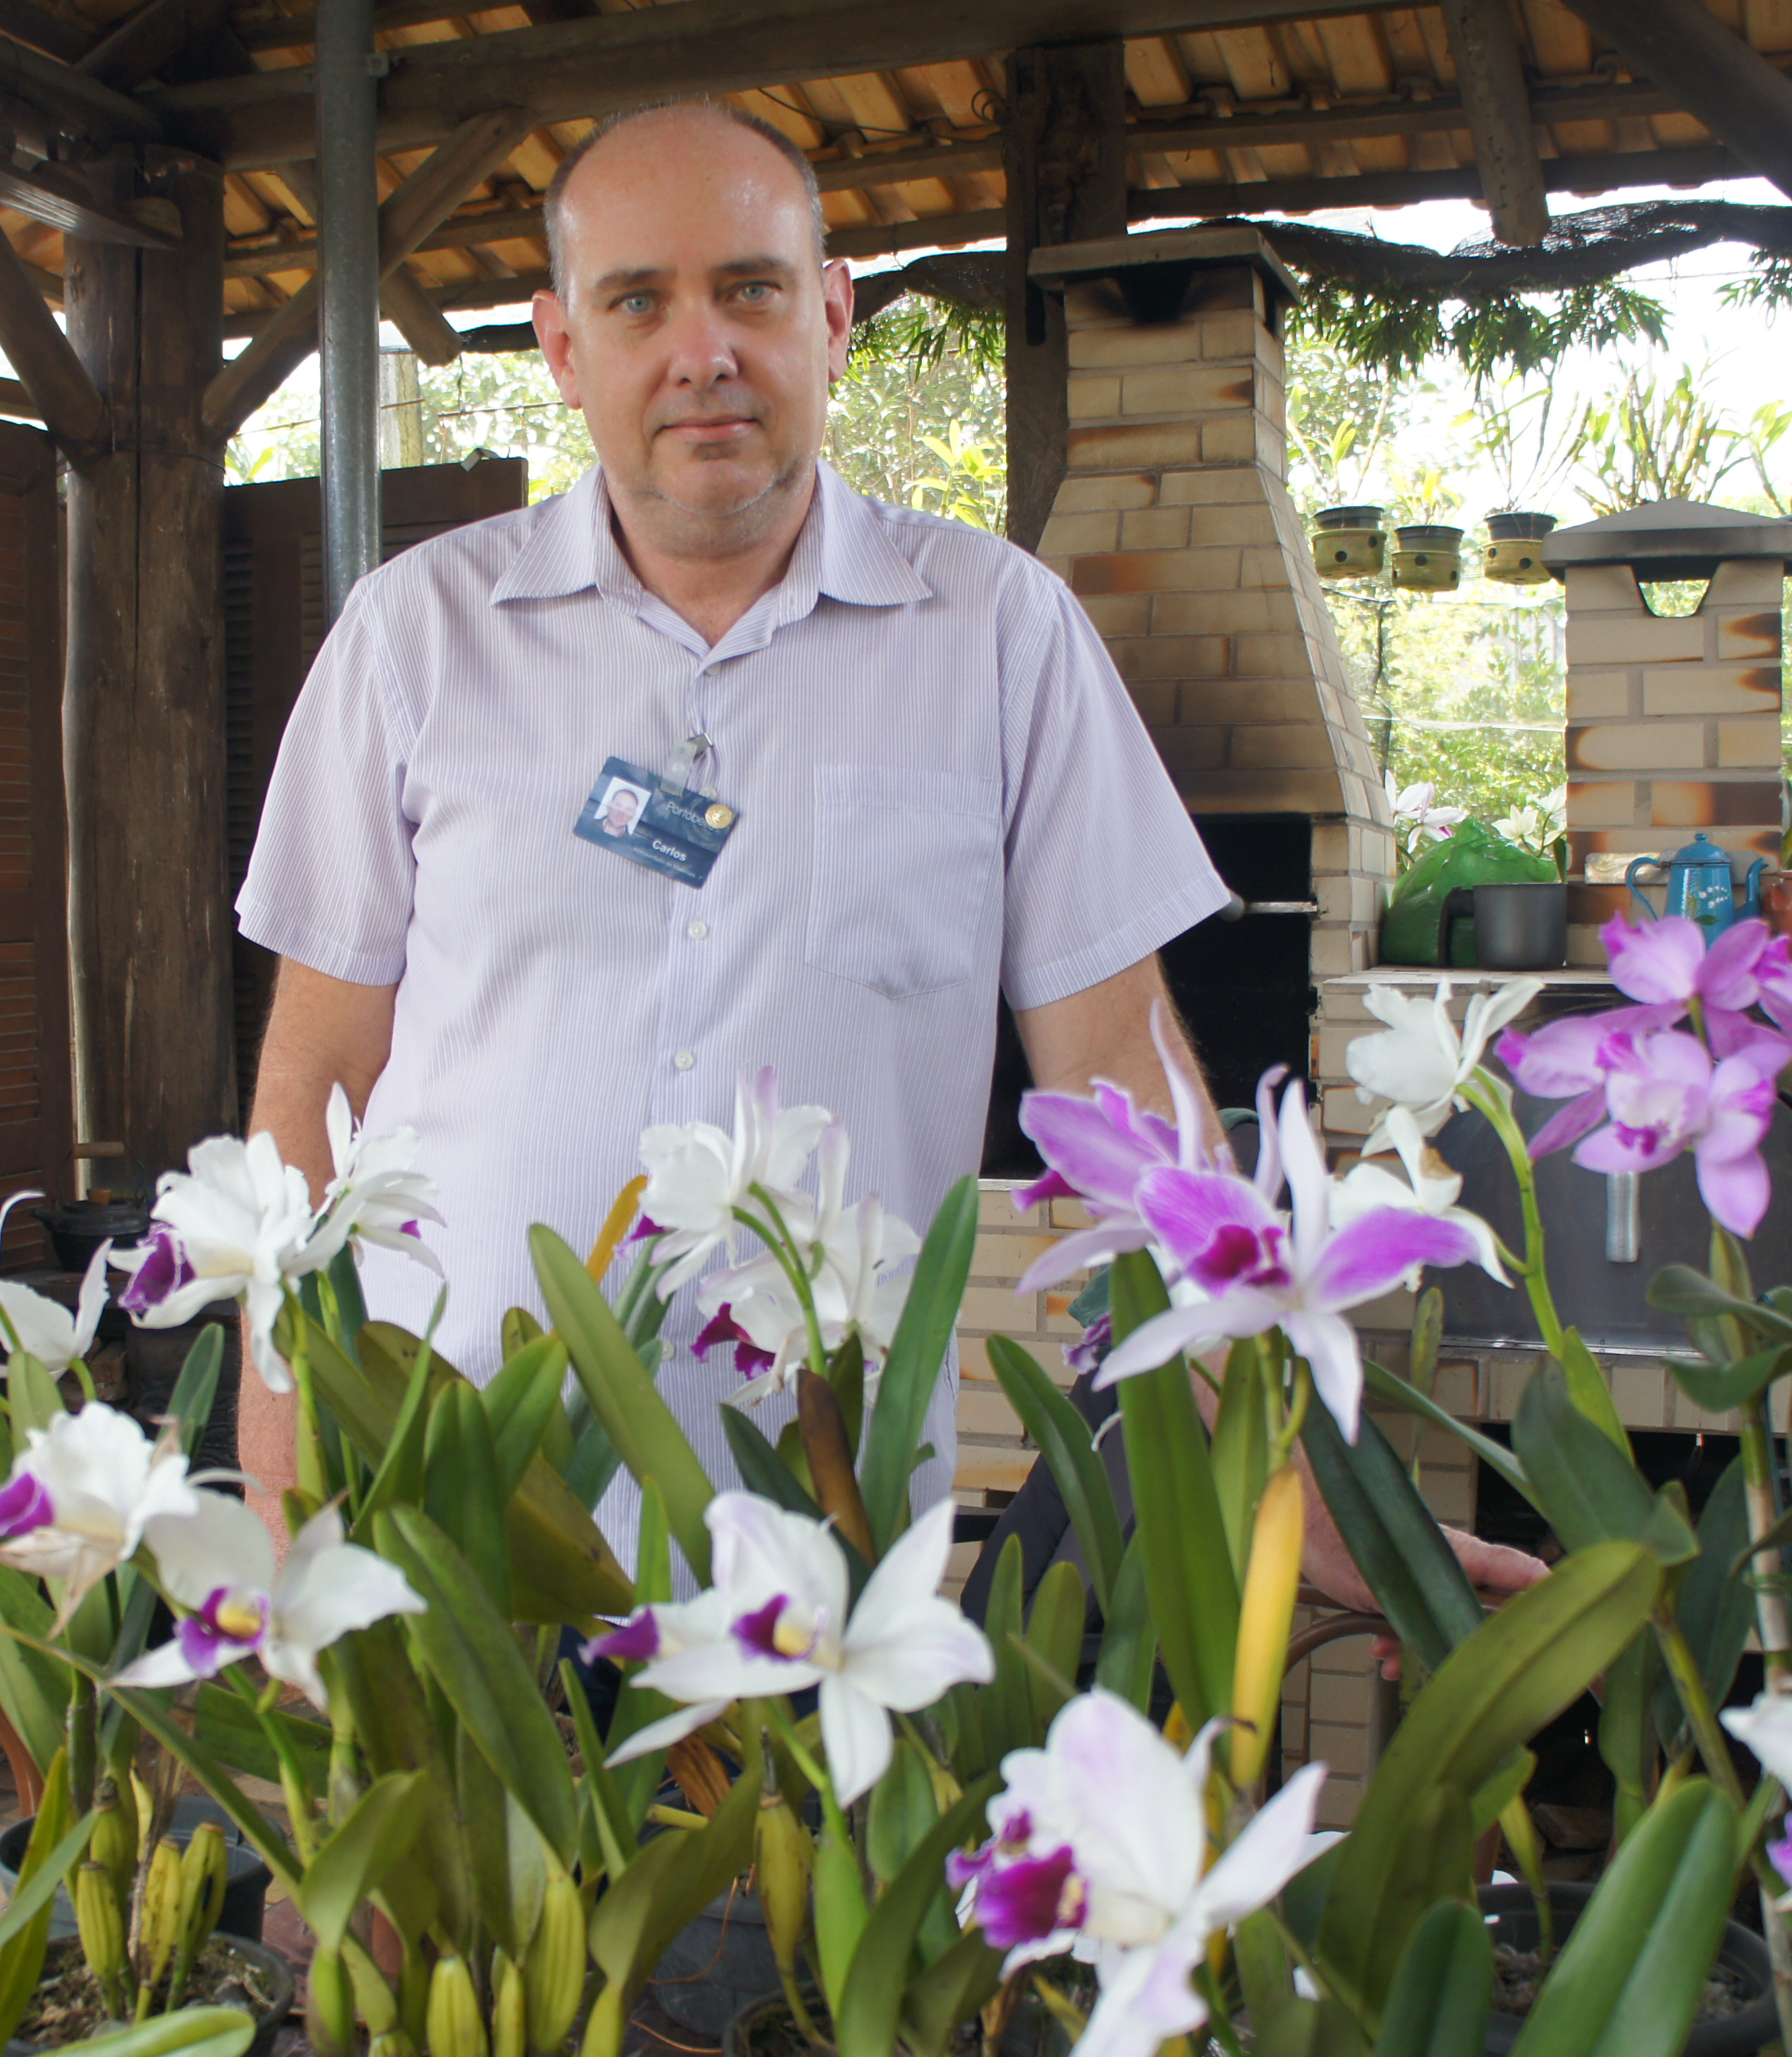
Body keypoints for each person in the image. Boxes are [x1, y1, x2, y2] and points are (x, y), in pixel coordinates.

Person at [232, 98, 1542, 1623]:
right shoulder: (415, 638)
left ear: (832, 314)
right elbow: (312, 1084)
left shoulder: (996, 635)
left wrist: (1278, 1467)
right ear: (562, 348)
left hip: (819, 1536)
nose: (700, 349)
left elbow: (1125, 1078)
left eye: (751, 289)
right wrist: (279, 1504)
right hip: (441, 1503)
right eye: (637, 300)